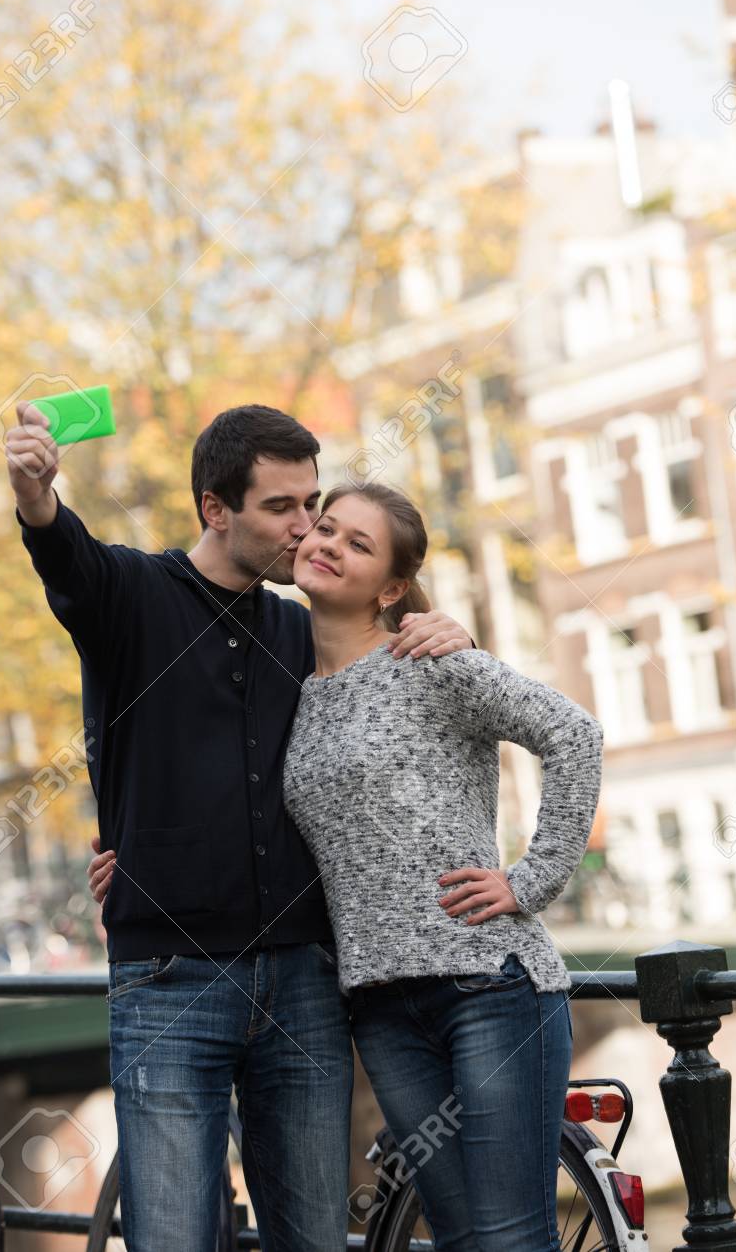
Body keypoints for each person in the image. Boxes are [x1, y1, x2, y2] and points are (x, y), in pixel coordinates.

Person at [4, 399, 474, 1252]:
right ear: (215, 509)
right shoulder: (132, 596)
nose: (305, 528)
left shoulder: (306, 628)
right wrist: (37, 495)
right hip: (169, 982)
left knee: (314, 1239)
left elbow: (394, 665)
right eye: (281, 507)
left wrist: (448, 630)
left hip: (306, 980)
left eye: (312, 503)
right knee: (175, 1238)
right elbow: (65, 555)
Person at [281, 481, 605, 1252]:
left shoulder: (429, 662)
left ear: (392, 587)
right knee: (459, 1240)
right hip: (380, 1008)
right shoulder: (289, 692)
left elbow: (574, 736)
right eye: (326, 528)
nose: (329, 545)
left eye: (357, 543)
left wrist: (530, 879)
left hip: (487, 989)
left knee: (508, 1239)